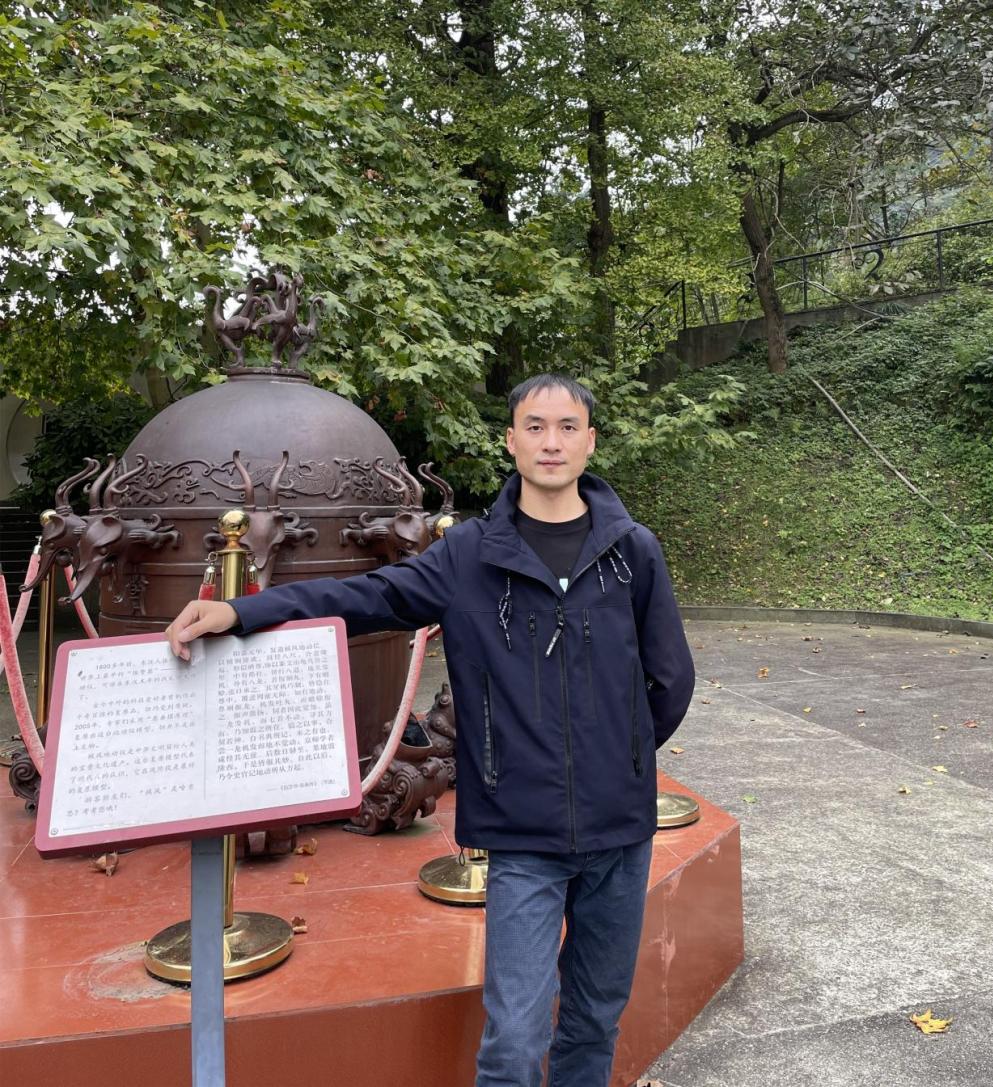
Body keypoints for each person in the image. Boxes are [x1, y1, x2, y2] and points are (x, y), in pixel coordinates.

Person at [166, 373, 695, 1087]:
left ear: (590, 441)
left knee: (595, 1020)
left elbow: (670, 678)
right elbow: (365, 596)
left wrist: (621, 759)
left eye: (567, 427)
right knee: (514, 1041)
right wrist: (243, 611)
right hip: (522, 833)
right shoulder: (469, 554)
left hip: (620, 833)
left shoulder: (633, 552)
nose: (551, 441)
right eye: (535, 426)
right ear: (511, 441)